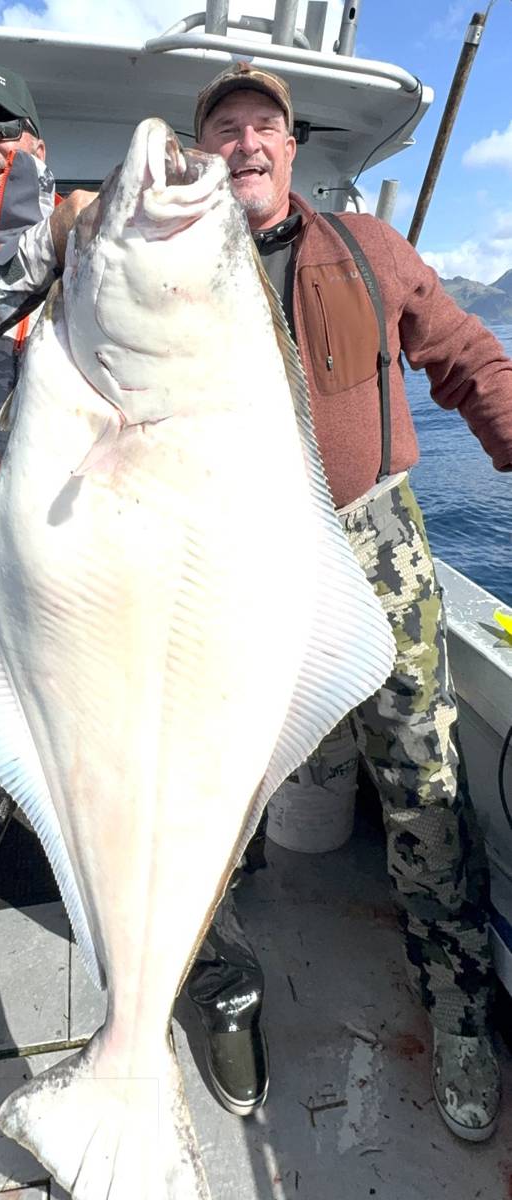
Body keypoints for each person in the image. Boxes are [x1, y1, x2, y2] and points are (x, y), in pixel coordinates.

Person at [0, 61, 267, 1166]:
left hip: (114, 583)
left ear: (30, 137)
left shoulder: (95, 237)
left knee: (186, 783)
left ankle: (209, 988)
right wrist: (38, 254)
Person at [194, 60, 512, 1144]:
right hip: (230, 560)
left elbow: (464, 353)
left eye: (262, 127)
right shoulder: (176, 264)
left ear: (292, 148)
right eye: (224, 128)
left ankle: (461, 1005)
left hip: (377, 544)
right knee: (222, 785)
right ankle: (212, 978)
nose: (244, 143)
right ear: (205, 153)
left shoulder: (368, 250)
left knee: (420, 775)